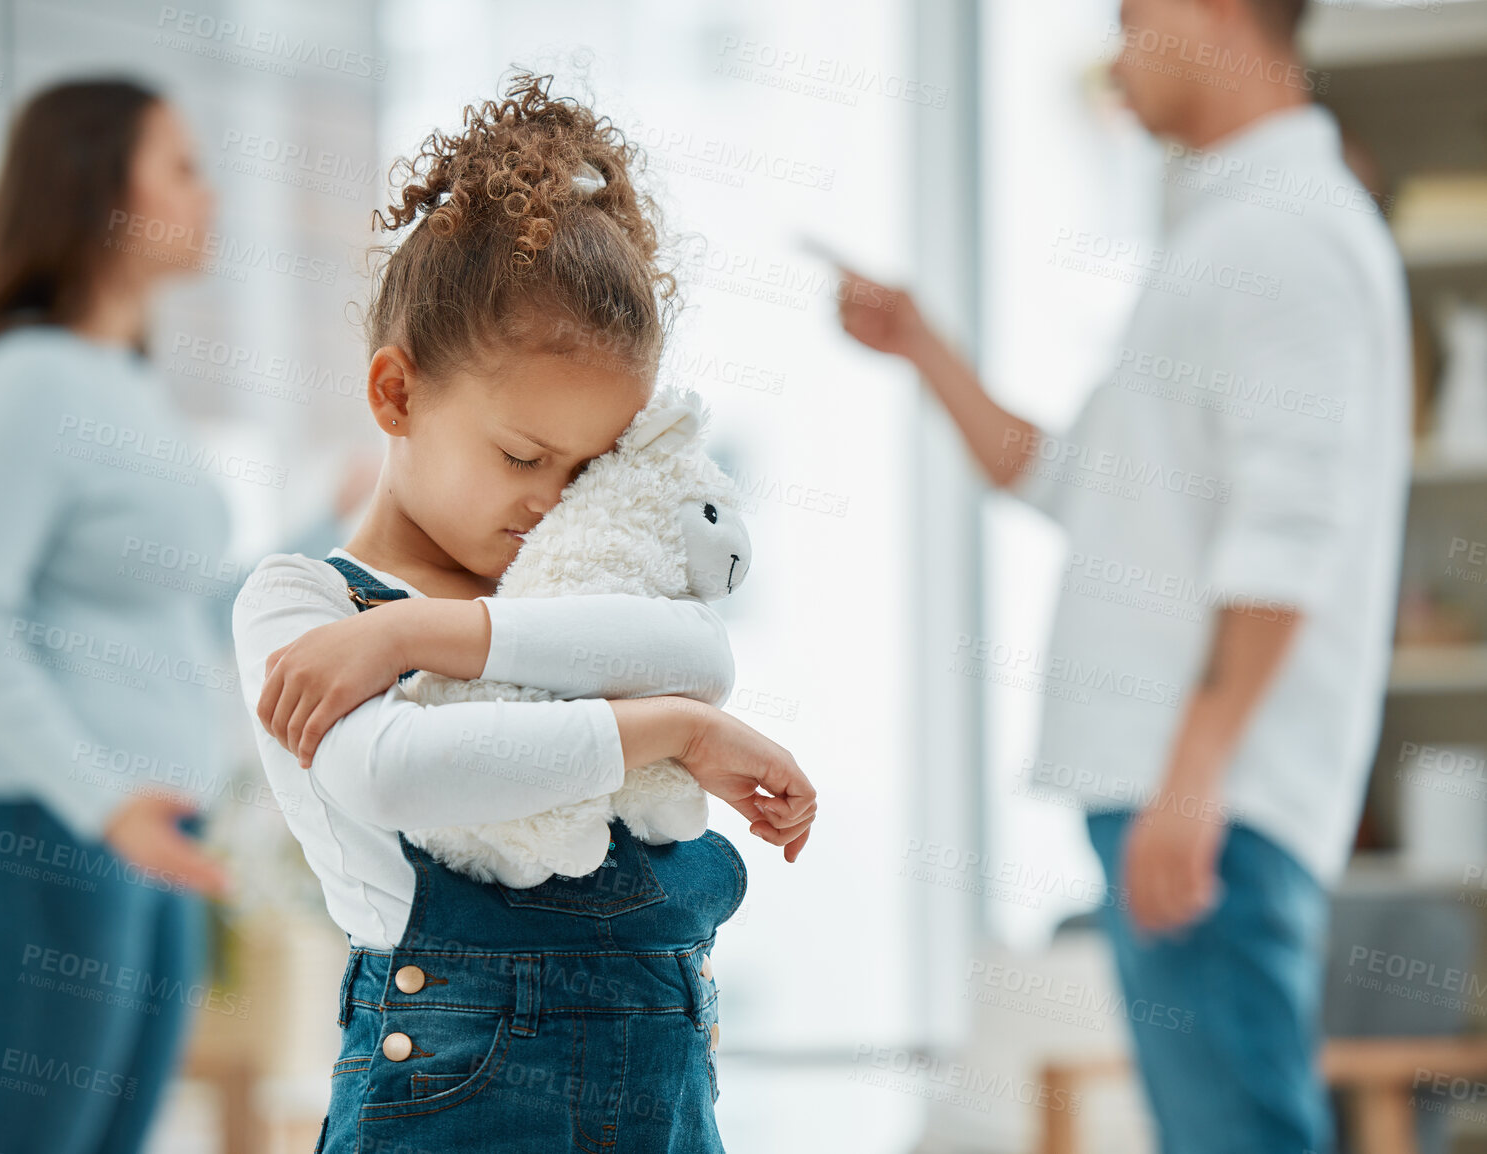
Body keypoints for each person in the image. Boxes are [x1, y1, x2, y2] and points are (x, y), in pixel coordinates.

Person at [836, 0, 1408, 1150]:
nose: (1118, 50)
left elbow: (1289, 532)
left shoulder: (1280, 234)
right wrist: (921, 344)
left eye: (1133, 17)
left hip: (1210, 799)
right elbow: (1061, 478)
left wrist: (1193, 775)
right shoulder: (1222, 235)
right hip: (1184, 791)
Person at [232, 72, 817, 1154]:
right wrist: (674, 731)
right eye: (520, 456)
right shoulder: (303, 600)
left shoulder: (543, 588)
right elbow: (399, 767)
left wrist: (417, 636)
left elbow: (696, 649)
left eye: (587, 467)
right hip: (448, 1098)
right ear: (396, 394)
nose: (551, 502)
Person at [0, 79, 236, 1154]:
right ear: (102, 185)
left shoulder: (127, 388)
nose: (209, 192)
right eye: (181, 165)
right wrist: (106, 805)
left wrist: (346, 519)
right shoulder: (21, 383)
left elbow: (187, 608)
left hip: (147, 832)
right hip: (47, 833)